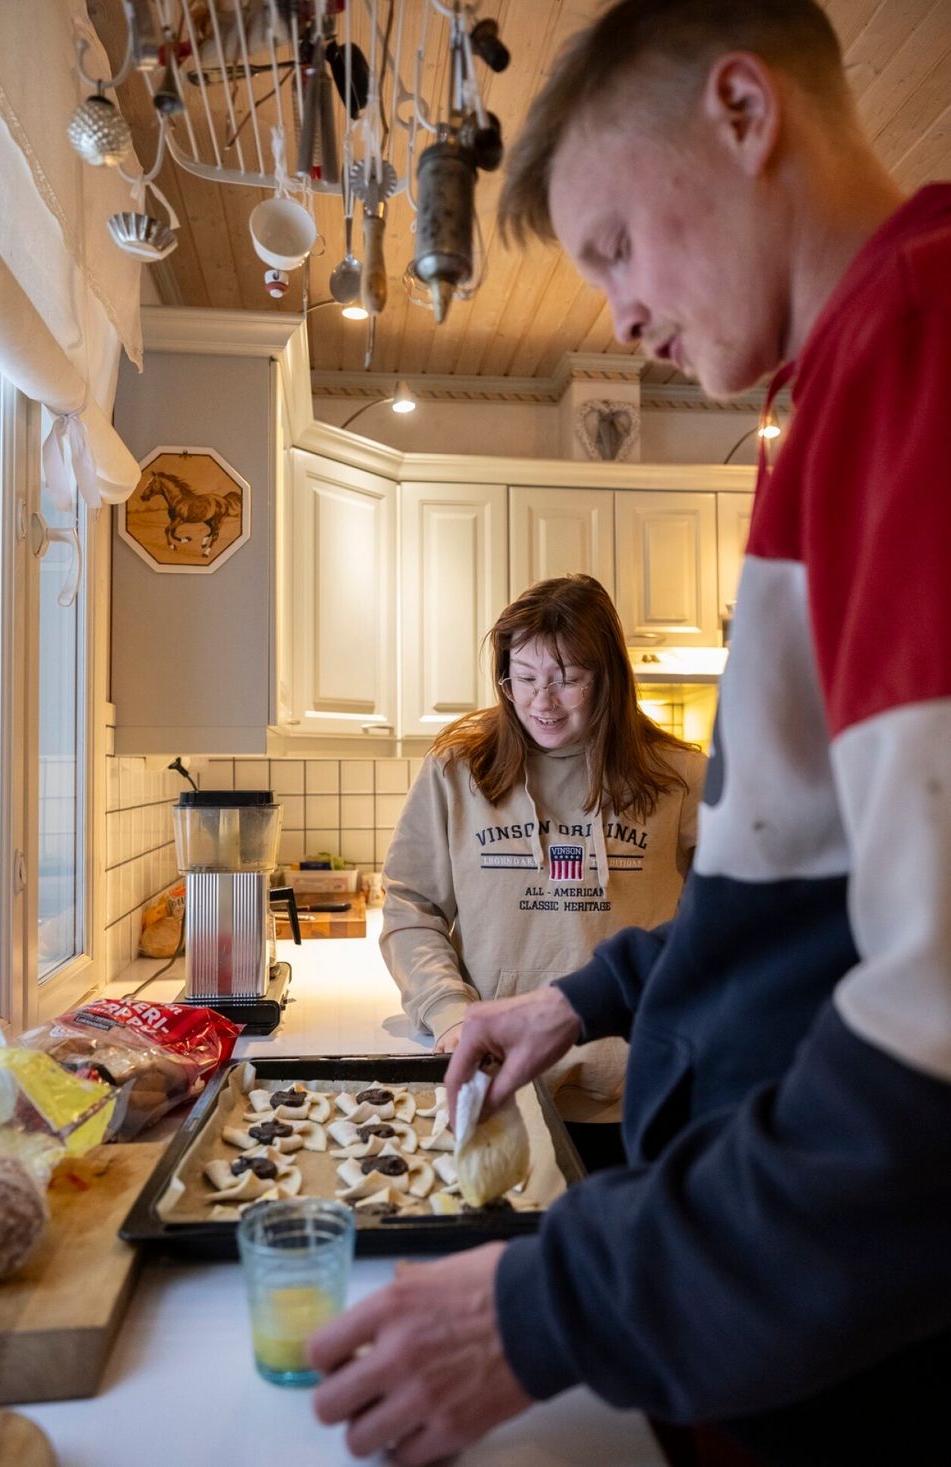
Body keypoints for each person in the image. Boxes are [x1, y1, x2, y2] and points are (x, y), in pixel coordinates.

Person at [309, 2, 951, 1464]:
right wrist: (581, 997)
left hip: (840, 1349)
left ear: (741, 111)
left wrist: (545, 1306)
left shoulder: (917, 344)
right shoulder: (857, 368)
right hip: (761, 1321)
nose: (614, 316)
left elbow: (932, 1023)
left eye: (611, 246)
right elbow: (817, 916)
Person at [380, 572, 705, 1169]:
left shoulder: (680, 777)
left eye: (567, 680)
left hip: (643, 1088)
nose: (541, 702)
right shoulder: (459, 771)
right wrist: (449, 1010)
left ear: (607, 677)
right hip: (502, 1078)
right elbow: (410, 907)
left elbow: (723, 922)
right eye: (523, 679)